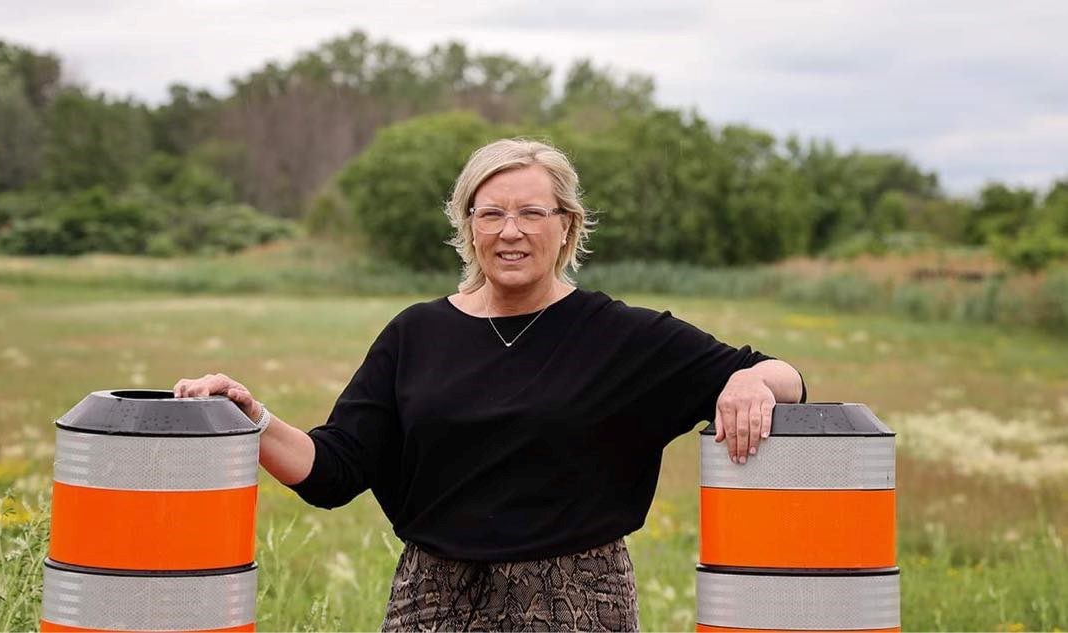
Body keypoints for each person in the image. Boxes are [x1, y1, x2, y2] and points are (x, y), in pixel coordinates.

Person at [173, 138, 806, 631]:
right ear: (469, 226)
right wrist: (248, 414)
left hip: (576, 604)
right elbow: (334, 469)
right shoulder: (415, 334)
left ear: (567, 226)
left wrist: (753, 380)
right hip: (430, 604)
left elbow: (786, 376)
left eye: (533, 213)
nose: (511, 231)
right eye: (492, 214)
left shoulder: (621, 335)